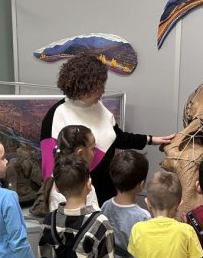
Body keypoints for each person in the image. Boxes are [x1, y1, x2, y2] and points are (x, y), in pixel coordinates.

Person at [40, 51, 174, 204]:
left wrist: (151, 140)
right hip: (78, 198)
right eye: (98, 87)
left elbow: (118, 137)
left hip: (107, 192)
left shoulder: (97, 106)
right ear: (83, 86)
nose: (103, 91)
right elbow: (50, 171)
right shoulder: (56, 115)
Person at [40, 124, 100, 212]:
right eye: (93, 148)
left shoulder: (58, 177)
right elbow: (93, 216)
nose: (95, 153)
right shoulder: (81, 185)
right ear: (80, 153)